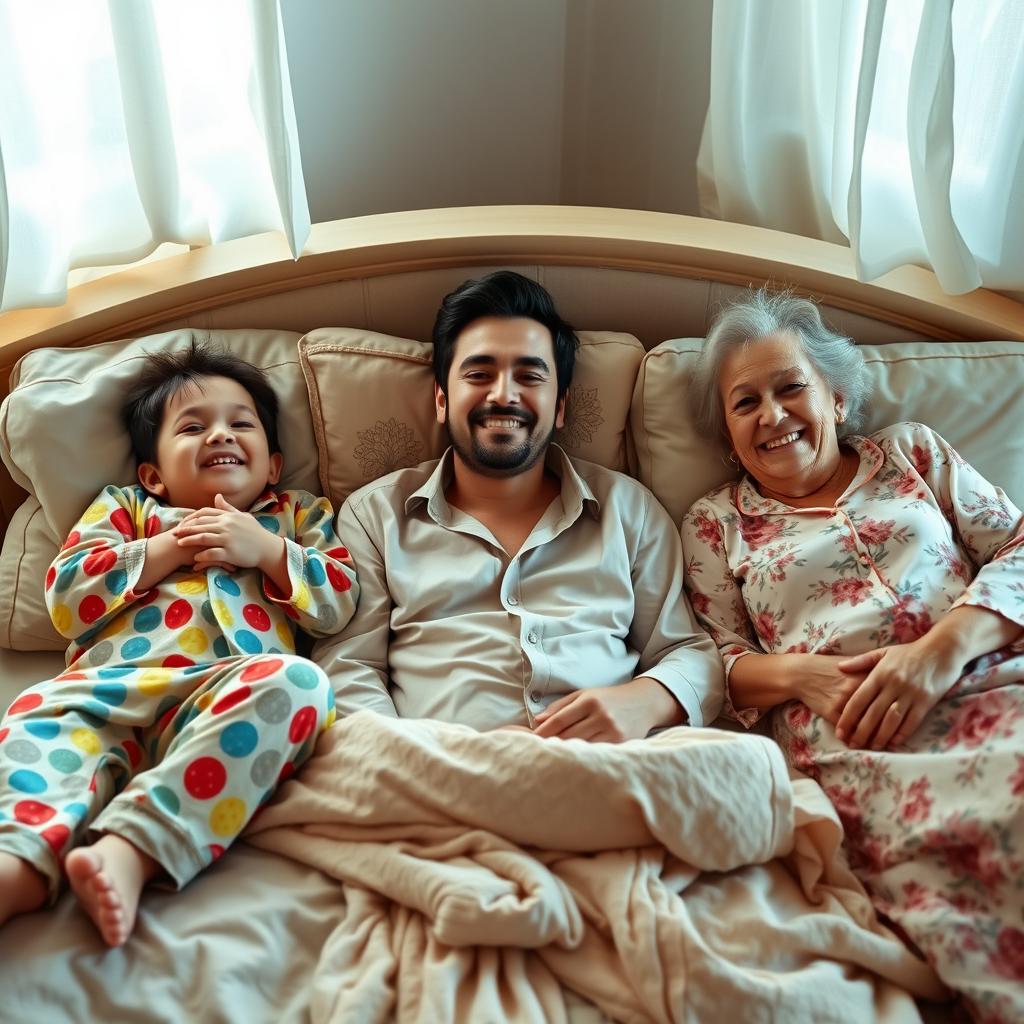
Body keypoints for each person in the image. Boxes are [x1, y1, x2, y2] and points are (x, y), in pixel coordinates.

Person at [680, 289, 1024, 1022]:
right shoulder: (715, 523)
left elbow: (1019, 546)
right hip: (858, 738)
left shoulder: (911, 451)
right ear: (729, 433)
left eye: (790, 387)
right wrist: (804, 675)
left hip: (994, 681)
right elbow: (713, 661)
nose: (771, 415)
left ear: (835, 399)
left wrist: (941, 649)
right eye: (745, 404)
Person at [0, 342, 358, 946]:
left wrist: (267, 551)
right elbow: (65, 599)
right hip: (104, 690)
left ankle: (132, 849)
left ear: (273, 466)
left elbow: (340, 601)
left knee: (300, 686)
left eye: (240, 423)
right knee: (36, 723)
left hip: (223, 695)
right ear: (153, 474)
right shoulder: (126, 509)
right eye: (194, 427)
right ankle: (19, 864)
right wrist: (169, 549)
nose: (220, 435)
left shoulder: (295, 515)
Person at [315, 270, 722, 739]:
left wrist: (646, 701)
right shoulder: (375, 516)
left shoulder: (629, 509)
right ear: (442, 399)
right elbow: (348, 669)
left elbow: (691, 652)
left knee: (752, 767)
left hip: (606, 773)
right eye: (479, 374)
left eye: (529, 375)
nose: (504, 394)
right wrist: (411, 762)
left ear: (561, 406)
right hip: (441, 782)